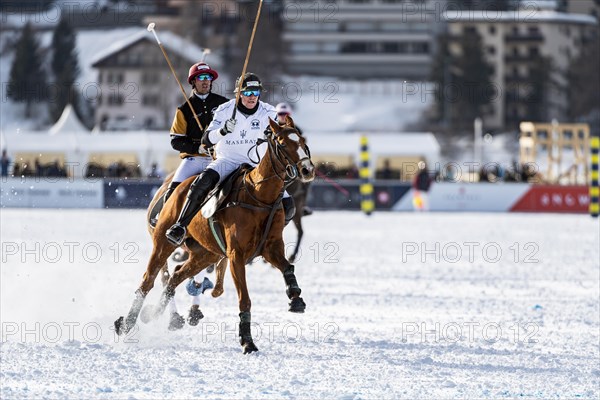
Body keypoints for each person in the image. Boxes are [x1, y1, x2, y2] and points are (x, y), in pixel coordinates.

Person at [165, 72, 295, 246]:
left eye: (256, 93)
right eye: (248, 93)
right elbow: (206, 139)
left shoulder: (268, 111)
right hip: (228, 161)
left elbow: (281, 136)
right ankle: (181, 225)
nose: (252, 97)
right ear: (239, 93)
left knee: (289, 205)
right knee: (202, 183)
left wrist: (272, 135)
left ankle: (268, 238)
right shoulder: (225, 110)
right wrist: (222, 131)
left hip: (256, 165)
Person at [161, 61, 228, 330]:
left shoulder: (223, 104)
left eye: (208, 77)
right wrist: (197, 144)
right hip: (193, 160)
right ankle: (168, 225)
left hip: (216, 159)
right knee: (173, 191)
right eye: (200, 78)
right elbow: (176, 140)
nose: (205, 81)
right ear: (193, 82)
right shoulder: (184, 109)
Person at [275, 102, 313, 216]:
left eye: (286, 114)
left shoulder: (297, 130)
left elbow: (301, 147)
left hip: (293, 162)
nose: (283, 116)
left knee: (308, 176)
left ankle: (303, 205)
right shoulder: (272, 128)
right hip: (277, 161)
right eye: (281, 114)